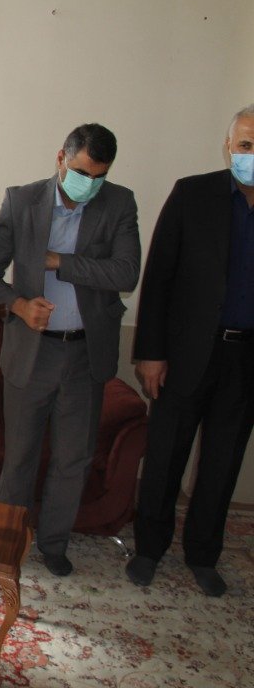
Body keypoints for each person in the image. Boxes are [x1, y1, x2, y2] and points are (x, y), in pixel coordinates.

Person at [0, 124, 140, 577]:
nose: (91, 184)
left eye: (100, 176)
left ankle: (53, 544)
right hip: (32, 351)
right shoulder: (22, 200)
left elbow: (126, 273)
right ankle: (8, 541)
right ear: (61, 158)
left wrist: (59, 262)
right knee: (20, 455)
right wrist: (19, 305)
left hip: (85, 353)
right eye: (83, 173)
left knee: (73, 459)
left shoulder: (119, 203)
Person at [125, 104, 254, 597]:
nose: (251, 155)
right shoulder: (193, 194)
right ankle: (148, 549)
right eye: (245, 145)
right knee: (165, 456)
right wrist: (150, 353)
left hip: (246, 361)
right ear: (228, 147)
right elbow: (159, 276)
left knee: (222, 463)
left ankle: (203, 554)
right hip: (184, 355)